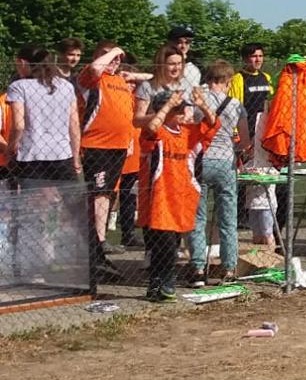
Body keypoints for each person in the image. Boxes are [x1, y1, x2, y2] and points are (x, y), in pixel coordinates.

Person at [137, 87, 217, 302]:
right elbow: (153, 126)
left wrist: (202, 105)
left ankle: (158, 285)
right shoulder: (158, 132)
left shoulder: (188, 133)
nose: (183, 113)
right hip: (159, 199)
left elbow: (211, 123)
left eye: (183, 109)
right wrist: (168, 106)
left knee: (171, 243)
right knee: (163, 245)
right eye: (178, 110)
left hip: (181, 198)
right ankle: (164, 281)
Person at [76, 42, 137, 280]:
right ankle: (97, 245)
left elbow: (126, 113)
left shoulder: (121, 82)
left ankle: (99, 243)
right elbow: (93, 69)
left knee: (109, 195)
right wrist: (114, 52)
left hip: (119, 147)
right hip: (97, 146)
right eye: (110, 58)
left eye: (118, 59)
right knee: (99, 195)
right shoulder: (94, 79)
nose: (114, 62)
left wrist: (129, 139)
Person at [182, 61, 243, 287]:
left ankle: (198, 267)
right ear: (227, 81)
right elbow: (243, 140)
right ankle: (229, 268)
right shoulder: (236, 104)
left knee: (198, 217)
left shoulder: (198, 101)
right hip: (226, 162)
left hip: (201, 160)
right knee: (228, 218)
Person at [6, 45, 82, 184]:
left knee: (33, 202)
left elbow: (18, 125)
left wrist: (11, 148)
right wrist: (75, 156)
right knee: (69, 203)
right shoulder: (66, 86)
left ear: (22, 62)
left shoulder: (18, 86)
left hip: (31, 155)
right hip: (62, 154)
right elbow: (74, 125)